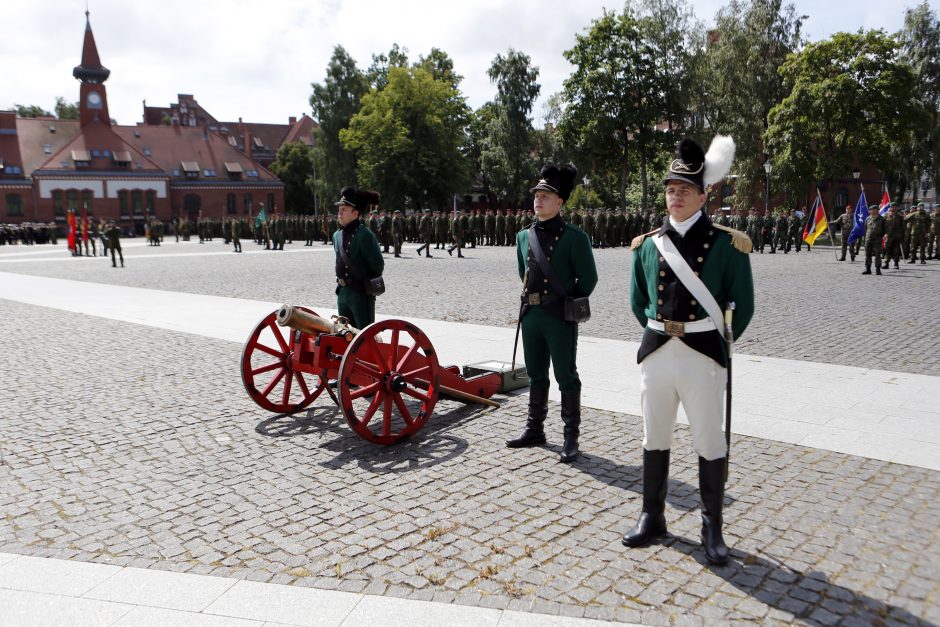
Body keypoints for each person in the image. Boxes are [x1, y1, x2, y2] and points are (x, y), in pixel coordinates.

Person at [623, 136, 754, 566]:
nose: (674, 196)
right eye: (669, 189)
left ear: (703, 195)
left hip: (701, 353)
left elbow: (744, 303)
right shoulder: (646, 245)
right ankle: (652, 515)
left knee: (708, 440)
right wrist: (660, 332)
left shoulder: (726, 245)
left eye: (683, 190)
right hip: (659, 350)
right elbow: (638, 300)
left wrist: (716, 340)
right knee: (654, 436)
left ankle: (711, 527)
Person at [506, 163, 597, 463]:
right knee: (535, 374)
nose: (539, 200)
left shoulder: (575, 237)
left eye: (546, 195)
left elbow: (588, 279)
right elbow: (523, 272)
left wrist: (566, 301)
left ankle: (571, 436)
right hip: (531, 315)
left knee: (565, 375)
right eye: (537, 194)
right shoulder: (523, 237)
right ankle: (535, 429)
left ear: (560, 202)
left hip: (559, 316)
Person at [333, 187, 384, 329]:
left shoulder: (364, 235)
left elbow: (378, 265)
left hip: (359, 293)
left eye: (344, 209)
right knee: (345, 336)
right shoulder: (337, 235)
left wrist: (362, 281)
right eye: (339, 209)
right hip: (342, 292)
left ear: (355, 213)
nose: (340, 213)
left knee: (363, 336)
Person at [862, 204, 885, 275]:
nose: (873, 211)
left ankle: (878, 269)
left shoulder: (882, 219)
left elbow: (885, 229)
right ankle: (868, 269)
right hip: (868, 239)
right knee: (867, 254)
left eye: (874, 210)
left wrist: (883, 236)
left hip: (877, 240)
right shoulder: (867, 219)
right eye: (871, 210)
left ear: (878, 210)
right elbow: (866, 229)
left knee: (877, 255)